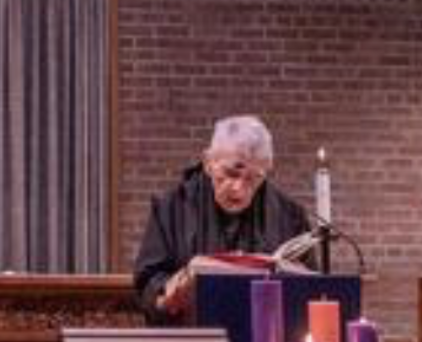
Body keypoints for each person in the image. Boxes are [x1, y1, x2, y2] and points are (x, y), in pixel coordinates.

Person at [133, 115, 312, 322]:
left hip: (265, 336)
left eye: (254, 178)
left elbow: (309, 290)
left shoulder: (290, 216)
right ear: (208, 162)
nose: (239, 188)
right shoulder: (170, 208)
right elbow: (146, 283)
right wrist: (167, 294)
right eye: (230, 173)